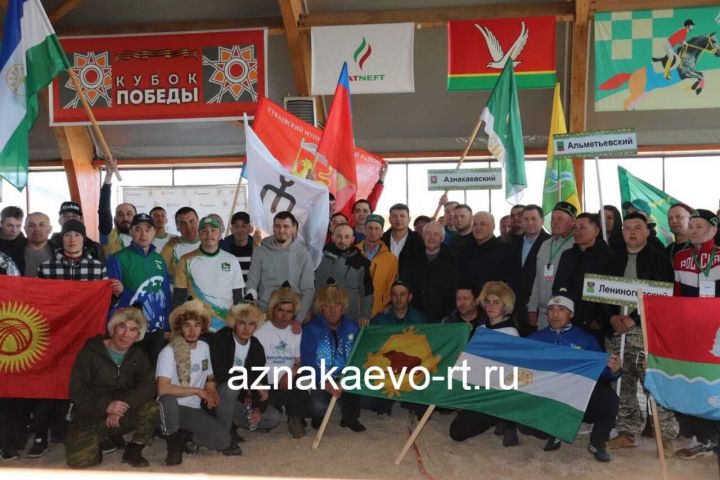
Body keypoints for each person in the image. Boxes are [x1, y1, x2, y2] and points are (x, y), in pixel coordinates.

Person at [605, 213, 678, 455]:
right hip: (617, 334)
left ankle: (664, 436)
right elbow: (599, 291)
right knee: (622, 384)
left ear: (648, 231)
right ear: (622, 232)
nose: (632, 232)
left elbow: (661, 297)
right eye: (627, 228)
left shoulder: (659, 260)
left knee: (653, 384)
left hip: (647, 333)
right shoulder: (612, 259)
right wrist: (612, 318)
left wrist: (633, 319)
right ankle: (626, 432)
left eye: (638, 228)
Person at [523, 292, 621, 462]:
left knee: (609, 398)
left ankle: (597, 443)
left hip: (579, 397)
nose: (555, 314)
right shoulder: (536, 338)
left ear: (571, 314)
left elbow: (604, 372)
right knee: (525, 425)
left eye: (561, 309)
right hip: (550, 397)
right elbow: (514, 361)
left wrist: (614, 369)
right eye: (551, 309)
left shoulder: (586, 339)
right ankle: (555, 431)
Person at [66, 308, 159, 468]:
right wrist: (107, 406)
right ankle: (104, 439)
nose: (126, 334)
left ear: (138, 335)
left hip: (122, 412)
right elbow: (77, 391)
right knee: (80, 462)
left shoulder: (138, 356)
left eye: (133, 330)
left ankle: (133, 450)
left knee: (152, 407)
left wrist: (121, 405)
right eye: (122, 327)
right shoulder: (90, 352)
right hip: (91, 414)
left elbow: (149, 386)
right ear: (113, 328)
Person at [157, 300, 241, 466]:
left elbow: (210, 377)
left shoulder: (203, 347)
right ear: (179, 327)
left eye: (197, 325)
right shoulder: (168, 352)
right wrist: (198, 391)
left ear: (203, 328)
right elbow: (162, 388)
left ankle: (187, 437)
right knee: (168, 399)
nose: (192, 330)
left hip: (192, 409)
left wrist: (210, 390)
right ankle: (173, 444)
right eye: (187, 325)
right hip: (171, 407)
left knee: (224, 440)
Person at [672, 209, 720, 458]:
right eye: (691, 226)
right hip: (690, 333)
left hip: (716, 335)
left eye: (699, 226)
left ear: (713, 230)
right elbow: (677, 296)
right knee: (695, 383)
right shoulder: (680, 258)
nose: (693, 230)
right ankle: (703, 438)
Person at [449, 281, 519, 447]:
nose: (491, 306)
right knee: (456, 432)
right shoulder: (481, 329)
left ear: (505, 306)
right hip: (478, 389)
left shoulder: (511, 333)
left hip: (498, 392)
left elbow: (511, 371)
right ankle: (498, 418)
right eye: (488, 301)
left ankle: (503, 417)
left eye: (496, 302)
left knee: (459, 431)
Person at [107, 213, 172, 365]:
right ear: (130, 232)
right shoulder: (118, 258)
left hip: (157, 330)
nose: (143, 234)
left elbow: (166, 294)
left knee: (153, 371)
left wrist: (168, 326)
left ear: (154, 232)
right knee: (129, 371)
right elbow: (110, 297)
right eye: (138, 229)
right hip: (129, 330)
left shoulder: (159, 260)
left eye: (148, 229)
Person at [210, 302, 281, 442]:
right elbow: (221, 373)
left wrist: (258, 409)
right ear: (234, 323)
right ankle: (226, 432)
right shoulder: (221, 339)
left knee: (273, 417)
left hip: (240, 401)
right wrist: (252, 382)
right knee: (231, 387)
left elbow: (262, 382)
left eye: (251, 324)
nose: (246, 328)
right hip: (217, 395)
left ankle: (233, 421)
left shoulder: (256, 346)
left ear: (256, 326)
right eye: (242, 323)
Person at [301, 282, 364, 432]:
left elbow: (358, 356)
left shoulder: (353, 327)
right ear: (321, 309)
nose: (332, 310)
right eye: (327, 306)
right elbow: (308, 360)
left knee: (361, 393)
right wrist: (325, 381)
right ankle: (319, 415)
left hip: (345, 377)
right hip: (320, 378)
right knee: (318, 408)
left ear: (343, 308)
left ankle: (349, 417)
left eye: (336, 305)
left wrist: (346, 379)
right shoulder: (311, 329)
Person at [173, 216, 245, 332]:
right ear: (199, 234)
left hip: (226, 326)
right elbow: (178, 297)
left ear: (220, 234)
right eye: (204, 231)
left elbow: (238, 295)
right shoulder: (185, 260)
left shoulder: (231, 260)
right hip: (196, 327)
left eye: (213, 230)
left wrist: (238, 322)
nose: (209, 234)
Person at [253, 284, 307, 438]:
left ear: (294, 313)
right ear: (273, 310)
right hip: (265, 385)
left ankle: (295, 418)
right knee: (270, 417)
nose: (284, 315)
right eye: (280, 310)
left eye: (289, 312)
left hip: (288, 383)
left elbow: (300, 361)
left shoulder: (296, 332)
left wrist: (292, 372)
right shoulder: (260, 331)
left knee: (303, 378)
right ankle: (272, 409)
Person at [553, 213, 616, 342]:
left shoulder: (608, 256)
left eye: (582, 227)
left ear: (596, 231)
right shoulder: (567, 255)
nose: (577, 231)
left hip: (595, 324)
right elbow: (558, 286)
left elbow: (612, 293)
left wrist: (600, 319)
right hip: (567, 320)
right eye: (575, 228)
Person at [246, 211, 315, 324]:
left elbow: (308, 289)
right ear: (273, 228)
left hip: (292, 315)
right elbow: (252, 282)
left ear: (293, 228)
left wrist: (299, 318)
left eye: (286, 226)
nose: (281, 230)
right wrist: (253, 305)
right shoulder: (260, 251)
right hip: (265, 312)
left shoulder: (303, 254)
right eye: (277, 226)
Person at [527, 202, 576, 330]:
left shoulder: (576, 245)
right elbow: (537, 278)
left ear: (572, 221)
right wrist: (532, 307)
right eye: (553, 218)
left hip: (564, 313)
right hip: (543, 313)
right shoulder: (545, 244)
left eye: (560, 219)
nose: (554, 222)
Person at [315, 223, 373, 324]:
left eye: (347, 237)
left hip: (348, 317)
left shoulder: (361, 262)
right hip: (319, 316)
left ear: (352, 239)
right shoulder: (319, 255)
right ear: (333, 237)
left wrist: (365, 315)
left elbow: (367, 292)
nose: (342, 241)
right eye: (339, 236)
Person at [401, 221, 456, 322]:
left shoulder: (453, 259)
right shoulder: (411, 258)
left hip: (443, 316)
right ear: (422, 236)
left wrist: (450, 314)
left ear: (442, 238)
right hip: (415, 315)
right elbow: (406, 283)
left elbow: (455, 288)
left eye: (436, 234)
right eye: (428, 234)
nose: (431, 237)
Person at [511, 205, 550, 335]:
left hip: (538, 308)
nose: (530, 223)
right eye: (526, 219)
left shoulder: (550, 243)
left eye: (533, 219)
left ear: (542, 220)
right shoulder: (513, 242)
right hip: (515, 307)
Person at [459, 212, 514, 293]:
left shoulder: (505, 251)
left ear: (493, 227)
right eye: (475, 224)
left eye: (482, 224)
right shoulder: (465, 249)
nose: (478, 228)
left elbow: (507, 284)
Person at [356, 214, 398, 318]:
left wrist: (387, 304)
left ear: (382, 232)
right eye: (370, 228)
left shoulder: (391, 259)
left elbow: (391, 284)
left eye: (376, 228)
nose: (373, 232)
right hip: (354, 310)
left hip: (379, 312)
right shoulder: (353, 253)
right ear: (364, 231)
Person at [98, 165, 136, 256]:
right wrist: (108, 177)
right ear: (115, 219)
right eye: (120, 214)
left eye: (129, 214)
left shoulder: (143, 238)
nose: (125, 217)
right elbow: (104, 212)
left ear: (136, 217)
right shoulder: (109, 236)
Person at [381, 203, 424, 279]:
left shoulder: (418, 241)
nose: (398, 219)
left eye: (402, 216)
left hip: (409, 288)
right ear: (389, 219)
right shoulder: (382, 241)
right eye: (394, 216)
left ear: (409, 219)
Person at [160, 207, 200, 281]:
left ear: (198, 221)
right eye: (183, 223)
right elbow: (159, 273)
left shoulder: (210, 243)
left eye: (191, 221)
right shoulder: (170, 247)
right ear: (177, 227)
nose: (188, 227)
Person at [220, 211, 254, 284]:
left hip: (253, 292)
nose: (240, 230)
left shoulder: (257, 246)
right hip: (230, 292)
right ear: (231, 229)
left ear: (250, 229)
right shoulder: (223, 248)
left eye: (243, 226)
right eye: (236, 226)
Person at [23, 212, 54, 277]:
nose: (37, 229)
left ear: (50, 229)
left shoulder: (59, 252)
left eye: (41, 225)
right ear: (25, 229)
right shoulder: (13, 251)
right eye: (31, 225)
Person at [0, 205, 26, 273]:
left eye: (18, 226)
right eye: (10, 225)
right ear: (1, 223)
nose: (14, 230)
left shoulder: (25, 244)